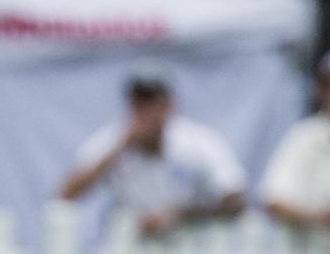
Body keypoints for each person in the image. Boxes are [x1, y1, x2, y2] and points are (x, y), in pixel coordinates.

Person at [57, 66, 245, 237]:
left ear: (169, 105)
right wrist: (121, 147)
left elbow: (237, 203)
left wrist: (179, 213)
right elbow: (66, 194)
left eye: (153, 102)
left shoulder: (200, 143)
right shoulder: (112, 141)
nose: (147, 112)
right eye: (139, 104)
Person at [261, 52, 330, 232]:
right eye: (327, 84)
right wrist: (319, 218)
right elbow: (275, 201)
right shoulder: (305, 136)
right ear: (320, 89)